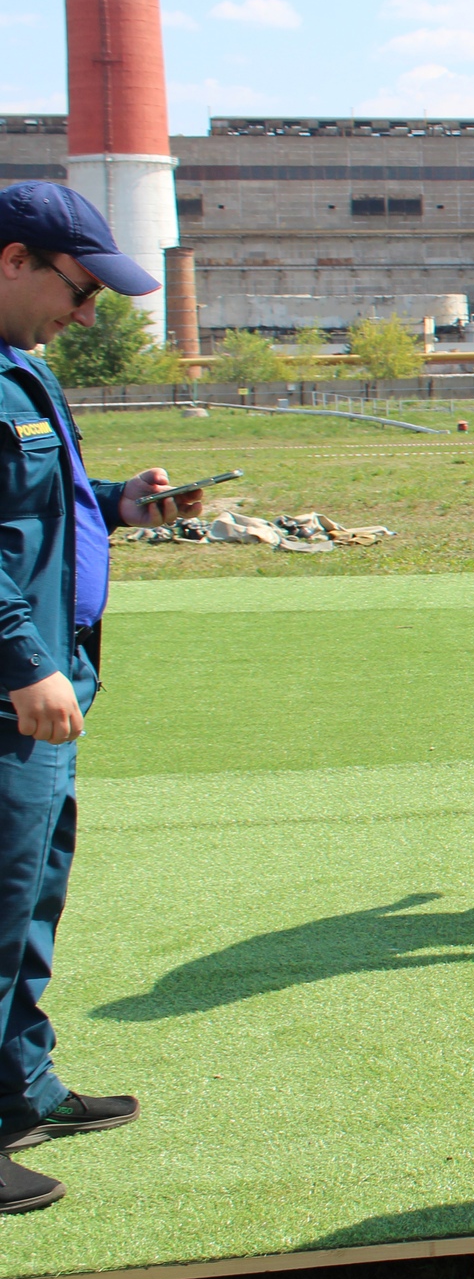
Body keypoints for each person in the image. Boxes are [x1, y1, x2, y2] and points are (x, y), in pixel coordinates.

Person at [0, 182, 204, 1215]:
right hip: (14, 693)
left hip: (47, 693)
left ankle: (20, 1088)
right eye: (79, 292)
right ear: (13, 260)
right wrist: (19, 662)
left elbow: (39, 512)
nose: (86, 316)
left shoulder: (22, 372)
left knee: (32, 901)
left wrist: (123, 504)